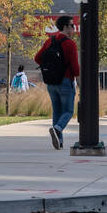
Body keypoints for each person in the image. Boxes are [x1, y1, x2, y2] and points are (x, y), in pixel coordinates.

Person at [34, 15, 81, 150]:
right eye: (72, 26)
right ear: (65, 27)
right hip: (66, 82)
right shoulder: (70, 44)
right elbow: (76, 69)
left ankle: (59, 142)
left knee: (57, 111)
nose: (74, 28)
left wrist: (51, 68)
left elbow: (37, 58)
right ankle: (57, 128)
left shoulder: (49, 41)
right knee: (68, 111)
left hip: (51, 83)